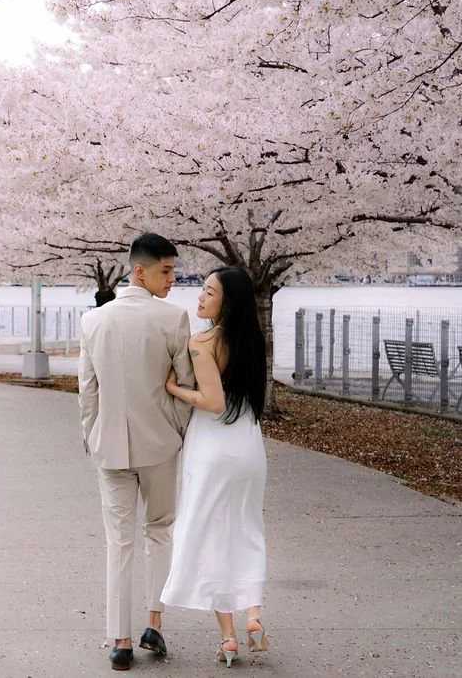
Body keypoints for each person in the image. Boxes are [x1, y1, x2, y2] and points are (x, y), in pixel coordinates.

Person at [78, 232, 195, 671]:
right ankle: (154, 621)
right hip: (160, 443)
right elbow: (185, 385)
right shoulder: (172, 319)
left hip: (109, 446)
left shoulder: (94, 321)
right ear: (139, 270)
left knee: (119, 542)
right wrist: (178, 431)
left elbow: (87, 391)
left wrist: (92, 436)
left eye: (174, 271)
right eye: (166, 271)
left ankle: (120, 641)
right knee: (160, 529)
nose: (172, 280)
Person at [160, 266, 270, 667]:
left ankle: (228, 637)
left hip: (212, 449)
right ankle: (254, 616)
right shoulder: (252, 341)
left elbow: (212, 402)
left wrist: (175, 388)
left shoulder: (202, 341)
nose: (200, 298)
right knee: (246, 528)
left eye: (209, 292)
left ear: (227, 301)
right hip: (248, 446)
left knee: (207, 532)